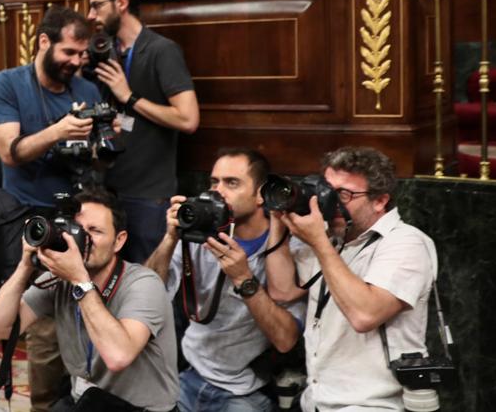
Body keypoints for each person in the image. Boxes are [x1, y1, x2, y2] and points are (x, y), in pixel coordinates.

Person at [0, 5, 105, 411]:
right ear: (44, 42)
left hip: (80, 215)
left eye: (82, 54)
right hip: (28, 218)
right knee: (44, 330)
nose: (77, 62)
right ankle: (45, 405)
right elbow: (10, 152)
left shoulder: (85, 90)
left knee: (88, 314)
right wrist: (59, 131)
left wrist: (100, 141)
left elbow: (97, 152)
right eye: (69, 52)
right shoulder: (5, 85)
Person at [264, 147, 437, 412]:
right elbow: (282, 291)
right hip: (317, 401)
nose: (330, 202)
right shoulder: (331, 236)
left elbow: (364, 315)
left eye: (343, 194)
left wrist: (320, 243)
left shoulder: (406, 243)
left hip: (374, 405)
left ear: (380, 201)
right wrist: (280, 218)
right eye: (327, 189)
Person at [0, 187, 178, 412]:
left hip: (140, 408)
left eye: (95, 231)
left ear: (119, 241)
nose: (83, 239)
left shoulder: (144, 283)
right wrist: (25, 266)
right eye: (76, 229)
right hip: (86, 400)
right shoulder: (59, 279)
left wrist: (79, 281)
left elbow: (118, 356)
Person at [144, 148, 304, 412]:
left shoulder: (286, 250)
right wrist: (170, 238)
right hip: (187, 374)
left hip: (244, 390)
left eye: (232, 183)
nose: (218, 192)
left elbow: (286, 339)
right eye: (213, 182)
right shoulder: (198, 233)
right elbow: (148, 293)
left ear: (261, 195)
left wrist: (243, 277)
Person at [84, 0, 198, 265]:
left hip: (148, 196)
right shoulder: (105, 53)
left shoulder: (161, 50)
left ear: (121, 3)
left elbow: (188, 119)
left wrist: (129, 97)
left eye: (97, 6)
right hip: (106, 192)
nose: (91, 16)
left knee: (150, 284)